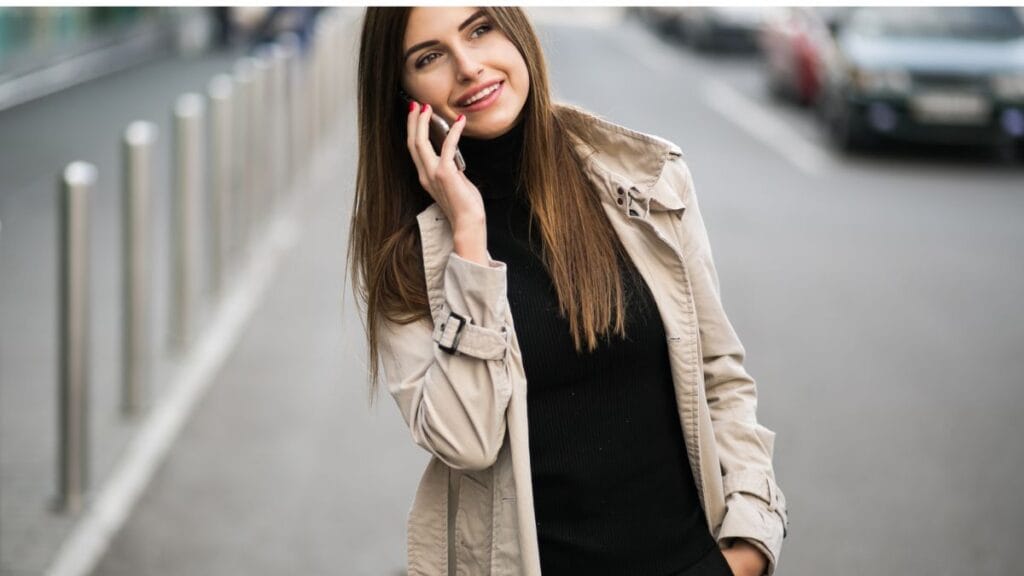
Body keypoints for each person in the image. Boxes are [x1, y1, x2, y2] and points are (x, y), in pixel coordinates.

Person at [348, 7, 788, 576]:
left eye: (481, 29)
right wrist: (469, 240)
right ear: (403, 92)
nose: (469, 66)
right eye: (429, 57)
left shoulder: (643, 181)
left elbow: (718, 374)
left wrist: (749, 546)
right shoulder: (407, 256)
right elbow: (466, 442)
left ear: (517, 29)